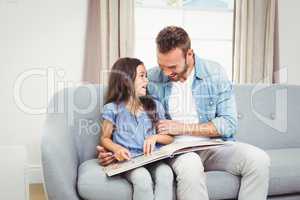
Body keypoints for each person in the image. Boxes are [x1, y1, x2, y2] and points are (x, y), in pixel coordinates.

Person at [97, 26, 271, 200]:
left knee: (259, 160)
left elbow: (228, 124)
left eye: (172, 67)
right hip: (174, 150)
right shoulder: (151, 78)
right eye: (161, 65)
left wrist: (182, 128)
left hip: (215, 146)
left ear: (189, 54)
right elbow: (128, 106)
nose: (165, 72)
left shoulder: (215, 73)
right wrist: (110, 149)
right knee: (191, 166)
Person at [100, 57, 174, 200]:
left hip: (153, 159)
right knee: (142, 178)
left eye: (146, 76)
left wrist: (155, 137)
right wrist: (117, 149)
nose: (146, 81)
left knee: (166, 173)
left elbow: (169, 137)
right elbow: (104, 138)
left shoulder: (155, 106)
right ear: (126, 79)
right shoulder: (112, 109)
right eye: (142, 76)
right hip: (129, 162)